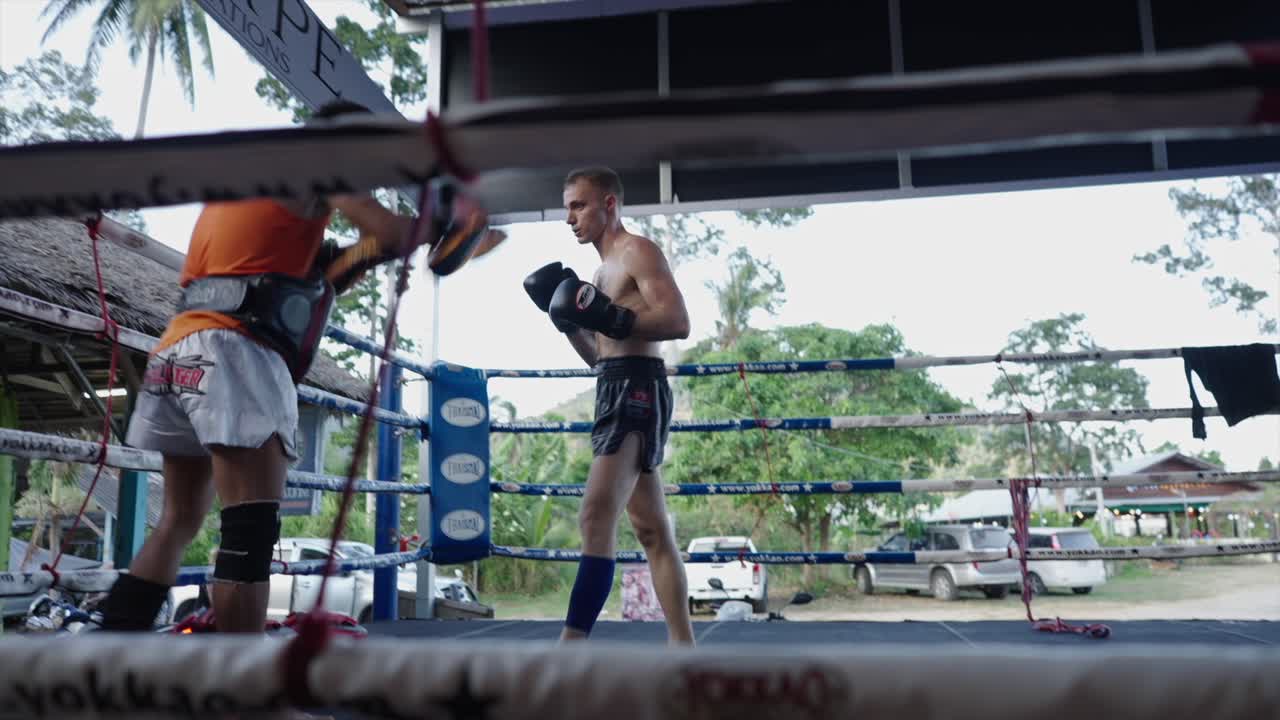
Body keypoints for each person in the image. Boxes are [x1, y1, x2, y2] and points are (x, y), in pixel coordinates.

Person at [94, 100, 504, 636]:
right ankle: (250, 702)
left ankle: (108, 663)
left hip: (178, 350)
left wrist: (409, 244)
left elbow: (325, 273)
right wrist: (449, 224)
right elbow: (392, 230)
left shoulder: (257, 178)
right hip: (233, 350)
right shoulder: (318, 163)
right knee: (248, 531)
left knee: (177, 522)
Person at [523, 166, 695, 645]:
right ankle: (686, 653)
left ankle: (569, 652)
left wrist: (613, 316)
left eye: (579, 205)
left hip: (638, 388)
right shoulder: (597, 274)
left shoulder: (636, 251)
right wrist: (570, 325)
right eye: (567, 209)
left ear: (609, 204)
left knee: (595, 517)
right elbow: (600, 357)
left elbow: (678, 321)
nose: (570, 218)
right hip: (614, 384)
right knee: (653, 533)